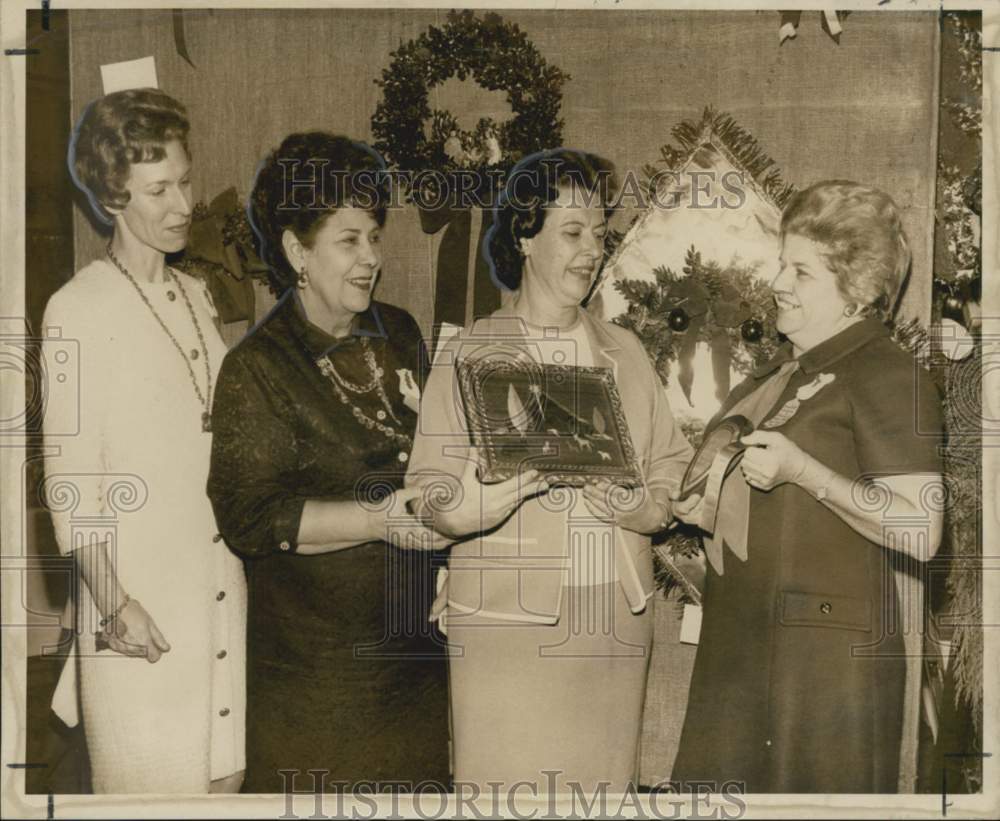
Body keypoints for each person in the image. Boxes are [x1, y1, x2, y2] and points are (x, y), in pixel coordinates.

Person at [405, 149, 693, 792]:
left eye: (599, 233)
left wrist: (647, 508)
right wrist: (464, 509)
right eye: (572, 231)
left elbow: (672, 461)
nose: (592, 250)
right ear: (524, 236)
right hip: (506, 629)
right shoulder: (471, 351)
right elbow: (426, 488)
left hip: (614, 624)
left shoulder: (627, 349)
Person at [670, 180, 945, 793]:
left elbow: (921, 530)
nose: (777, 284)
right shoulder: (782, 374)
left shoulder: (888, 373)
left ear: (857, 290)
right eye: (780, 264)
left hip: (820, 676)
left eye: (801, 271)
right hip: (739, 652)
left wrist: (806, 473)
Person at [206, 132, 449, 793]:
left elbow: (435, 459)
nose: (371, 256)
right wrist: (377, 518)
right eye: (350, 239)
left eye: (374, 234)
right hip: (318, 691)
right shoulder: (257, 368)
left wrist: (454, 555)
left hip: (415, 671)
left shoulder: (399, 332)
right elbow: (250, 518)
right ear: (296, 251)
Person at [44, 88, 246, 793]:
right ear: (111, 196)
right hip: (138, 619)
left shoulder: (197, 295)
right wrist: (112, 601)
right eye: (158, 188)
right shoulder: (75, 308)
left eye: (185, 180)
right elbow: (71, 483)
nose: (183, 203)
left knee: (224, 790)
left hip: (220, 595)